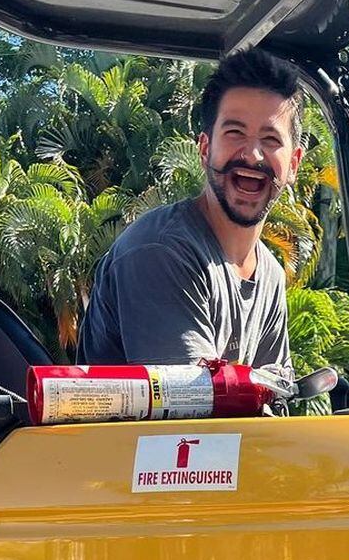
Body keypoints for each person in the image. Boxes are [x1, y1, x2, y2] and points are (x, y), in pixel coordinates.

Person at [78, 49, 304, 371]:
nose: (253, 155)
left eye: (270, 139)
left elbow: (273, 401)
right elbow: (190, 409)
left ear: (293, 164)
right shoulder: (161, 251)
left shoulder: (270, 274)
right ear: (205, 148)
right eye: (235, 133)